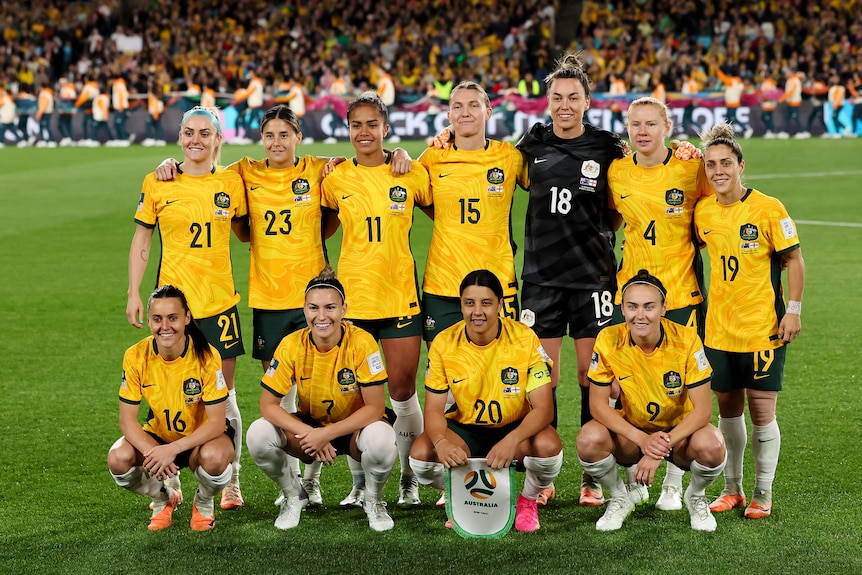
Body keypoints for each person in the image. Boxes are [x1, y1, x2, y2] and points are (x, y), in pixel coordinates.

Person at [516, 51, 627, 506]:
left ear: (587, 101)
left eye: (573, 97)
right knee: (542, 374)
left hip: (594, 277)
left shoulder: (607, 147)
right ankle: (543, 477)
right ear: (548, 101)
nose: (564, 104)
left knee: (590, 373)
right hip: (541, 278)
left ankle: (590, 474)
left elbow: (620, 209)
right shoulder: (531, 145)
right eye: (557, 97)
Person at [126, 106, 248, 511]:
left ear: (218, 139)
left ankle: (230, 481)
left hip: (219, 306)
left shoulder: (232, 182)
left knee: (224, 396)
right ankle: (171, 474)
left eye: (204, 133)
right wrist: (133, 291)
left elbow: (249, 231)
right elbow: (142, 241)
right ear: (180, 138)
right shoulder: (159, 181)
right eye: (189, 132)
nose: (196, 139)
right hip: (172, 310)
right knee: (169, 390)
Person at [321, 91, 431, 507]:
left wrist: (404, 154)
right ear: (347, 130)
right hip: (354, 305)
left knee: (402, 392)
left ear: (386, 128)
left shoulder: (410, 172)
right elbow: (321, 225)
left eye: (372, 124)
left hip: (400, 298)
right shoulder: (335, 179)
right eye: (356, 125)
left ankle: (407, 478)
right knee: (356, 397)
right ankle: (360, 482)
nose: (364, 132)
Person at [694, 123, 805, 519]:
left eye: (726, 163)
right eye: (711, 164)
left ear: (742, 165)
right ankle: (733, 489)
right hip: (718, 332)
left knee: (762, 414)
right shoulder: (703, 211)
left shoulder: (769, 208)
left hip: (762, 330)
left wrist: (793, 310)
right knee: (728, 413)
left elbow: (793, 259)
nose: (718, 170)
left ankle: (763, 492)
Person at [607, 96, 712, 510]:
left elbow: (724, 187)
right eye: (635, 124)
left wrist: (700, 154)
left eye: (651, 124)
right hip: (630, 298)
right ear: (627, 128)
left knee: (682, 390)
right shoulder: (617, 171)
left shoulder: (690, 169)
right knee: (625, 383)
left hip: (680, 293)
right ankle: (634, 475)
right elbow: (611, 219)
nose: (643, 131)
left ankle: (671, 479)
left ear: (666, 127)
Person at [409, 270, 562, 532]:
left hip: (514, 428)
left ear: (501, 304)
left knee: (549, 448)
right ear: (461, 304)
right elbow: (433, 409)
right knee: (421, 458)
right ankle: (464, 495)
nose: (477, 311)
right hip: (465, 430)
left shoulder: (524, 338)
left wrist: (511, 440)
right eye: (469, 303)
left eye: (486, 303)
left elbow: (544, 409)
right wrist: (441, 442)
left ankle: (527, 499)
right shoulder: (444, 343)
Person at [245, 267, 398, 531]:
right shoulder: (291, 344)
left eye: (330, 307)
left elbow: (374, 407)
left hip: (355, 429)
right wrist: (309, 432)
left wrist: (327, 435)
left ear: (344, 309)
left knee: (382, 441)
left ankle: (373, 500)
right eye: (313, 308)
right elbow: (267, 405)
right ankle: (295, 495)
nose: (321, 316)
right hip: (311, 425)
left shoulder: (362, 342)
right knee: (258, 434)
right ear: (304, 310)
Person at [577, 270, 726, 532]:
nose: (640, 315)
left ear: (664, 308)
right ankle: (619, 497)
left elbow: (703, 412)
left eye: (649, 307)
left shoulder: (687, 339)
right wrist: (642, 440)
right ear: (622, 309)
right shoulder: (608, 339)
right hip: (634, 433)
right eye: (632, 307)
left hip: (680, 434)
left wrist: (658, 448)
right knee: (588, 439)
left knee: (713, 445)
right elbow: (597, 406)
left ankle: (695, 496)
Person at [108, 285, 235, 531]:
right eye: (157, 319)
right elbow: (127, 421)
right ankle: (163, 497)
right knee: (118, 459)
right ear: (149, 321)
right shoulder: (135, 356)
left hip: (201, 439)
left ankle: (204, 501)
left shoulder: (207, 356)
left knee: (216, 458)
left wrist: (173, 449)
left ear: (187, 318)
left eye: (173, 318)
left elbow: (217, 423)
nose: (165, 326)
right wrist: (155, 452)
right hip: (159, 435)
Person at [418, 81, 528, 343]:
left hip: (497, 281)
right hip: (443, 283)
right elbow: (404, 186)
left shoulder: (509, 157)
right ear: (449, 116)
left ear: (488, 112)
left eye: (473, 105)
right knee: (444, 376)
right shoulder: (433, 158)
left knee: (501, 372)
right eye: (457, 106)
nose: (465, 112)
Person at [715, 65, 753, 139]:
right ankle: (726, 134)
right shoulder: (739, 82)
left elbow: (722, 77)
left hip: (732, 103)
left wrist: (717, 70)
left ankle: (747, 129)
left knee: (732, 119)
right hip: (734, 102)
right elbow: (741, 92)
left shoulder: (731, 80)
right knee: (728, 119)